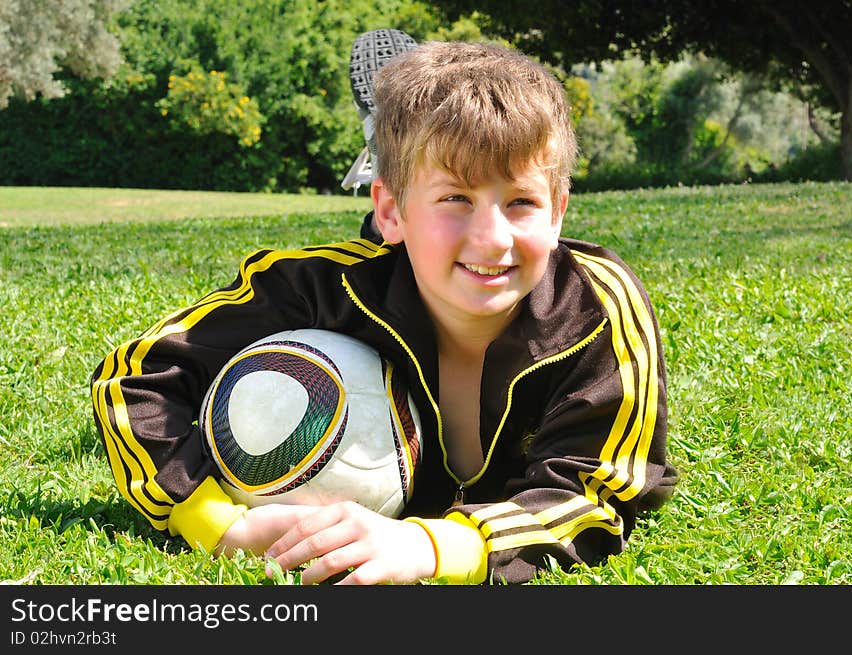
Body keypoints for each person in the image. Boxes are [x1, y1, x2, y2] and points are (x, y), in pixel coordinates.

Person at [90, 30, 678, 585]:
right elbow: (132, 381)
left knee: (444, 250)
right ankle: (397, 142)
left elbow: (593, 493)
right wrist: (221, 523)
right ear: (391, 208)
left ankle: (406, 146)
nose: (493, 237)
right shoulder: (322, 288)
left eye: (522, 201)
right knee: (399, 259)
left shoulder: (595, 310)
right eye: (457, 198)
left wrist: (432, 546)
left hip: (415, 242)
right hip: (389, 248)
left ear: (558, 212)